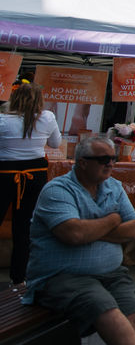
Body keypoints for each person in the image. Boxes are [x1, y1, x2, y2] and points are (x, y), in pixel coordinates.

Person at [24, 136, 135, 344]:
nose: (110, 164)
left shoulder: (113, 187)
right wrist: (113, 220)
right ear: (82, 162)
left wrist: (92, 228)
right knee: (108, 311)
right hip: (63, 277)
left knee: (134, 314)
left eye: (112, 158)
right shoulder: (58, 191)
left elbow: (133, 229)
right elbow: (74, 234)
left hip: (111, 274)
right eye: (103, 159)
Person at [0, 80, 61, 285]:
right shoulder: (48, 117)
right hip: (36, 176)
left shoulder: (2, 120)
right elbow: (55, 143)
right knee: (24, 227)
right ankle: (19, 277)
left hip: (5, 175)